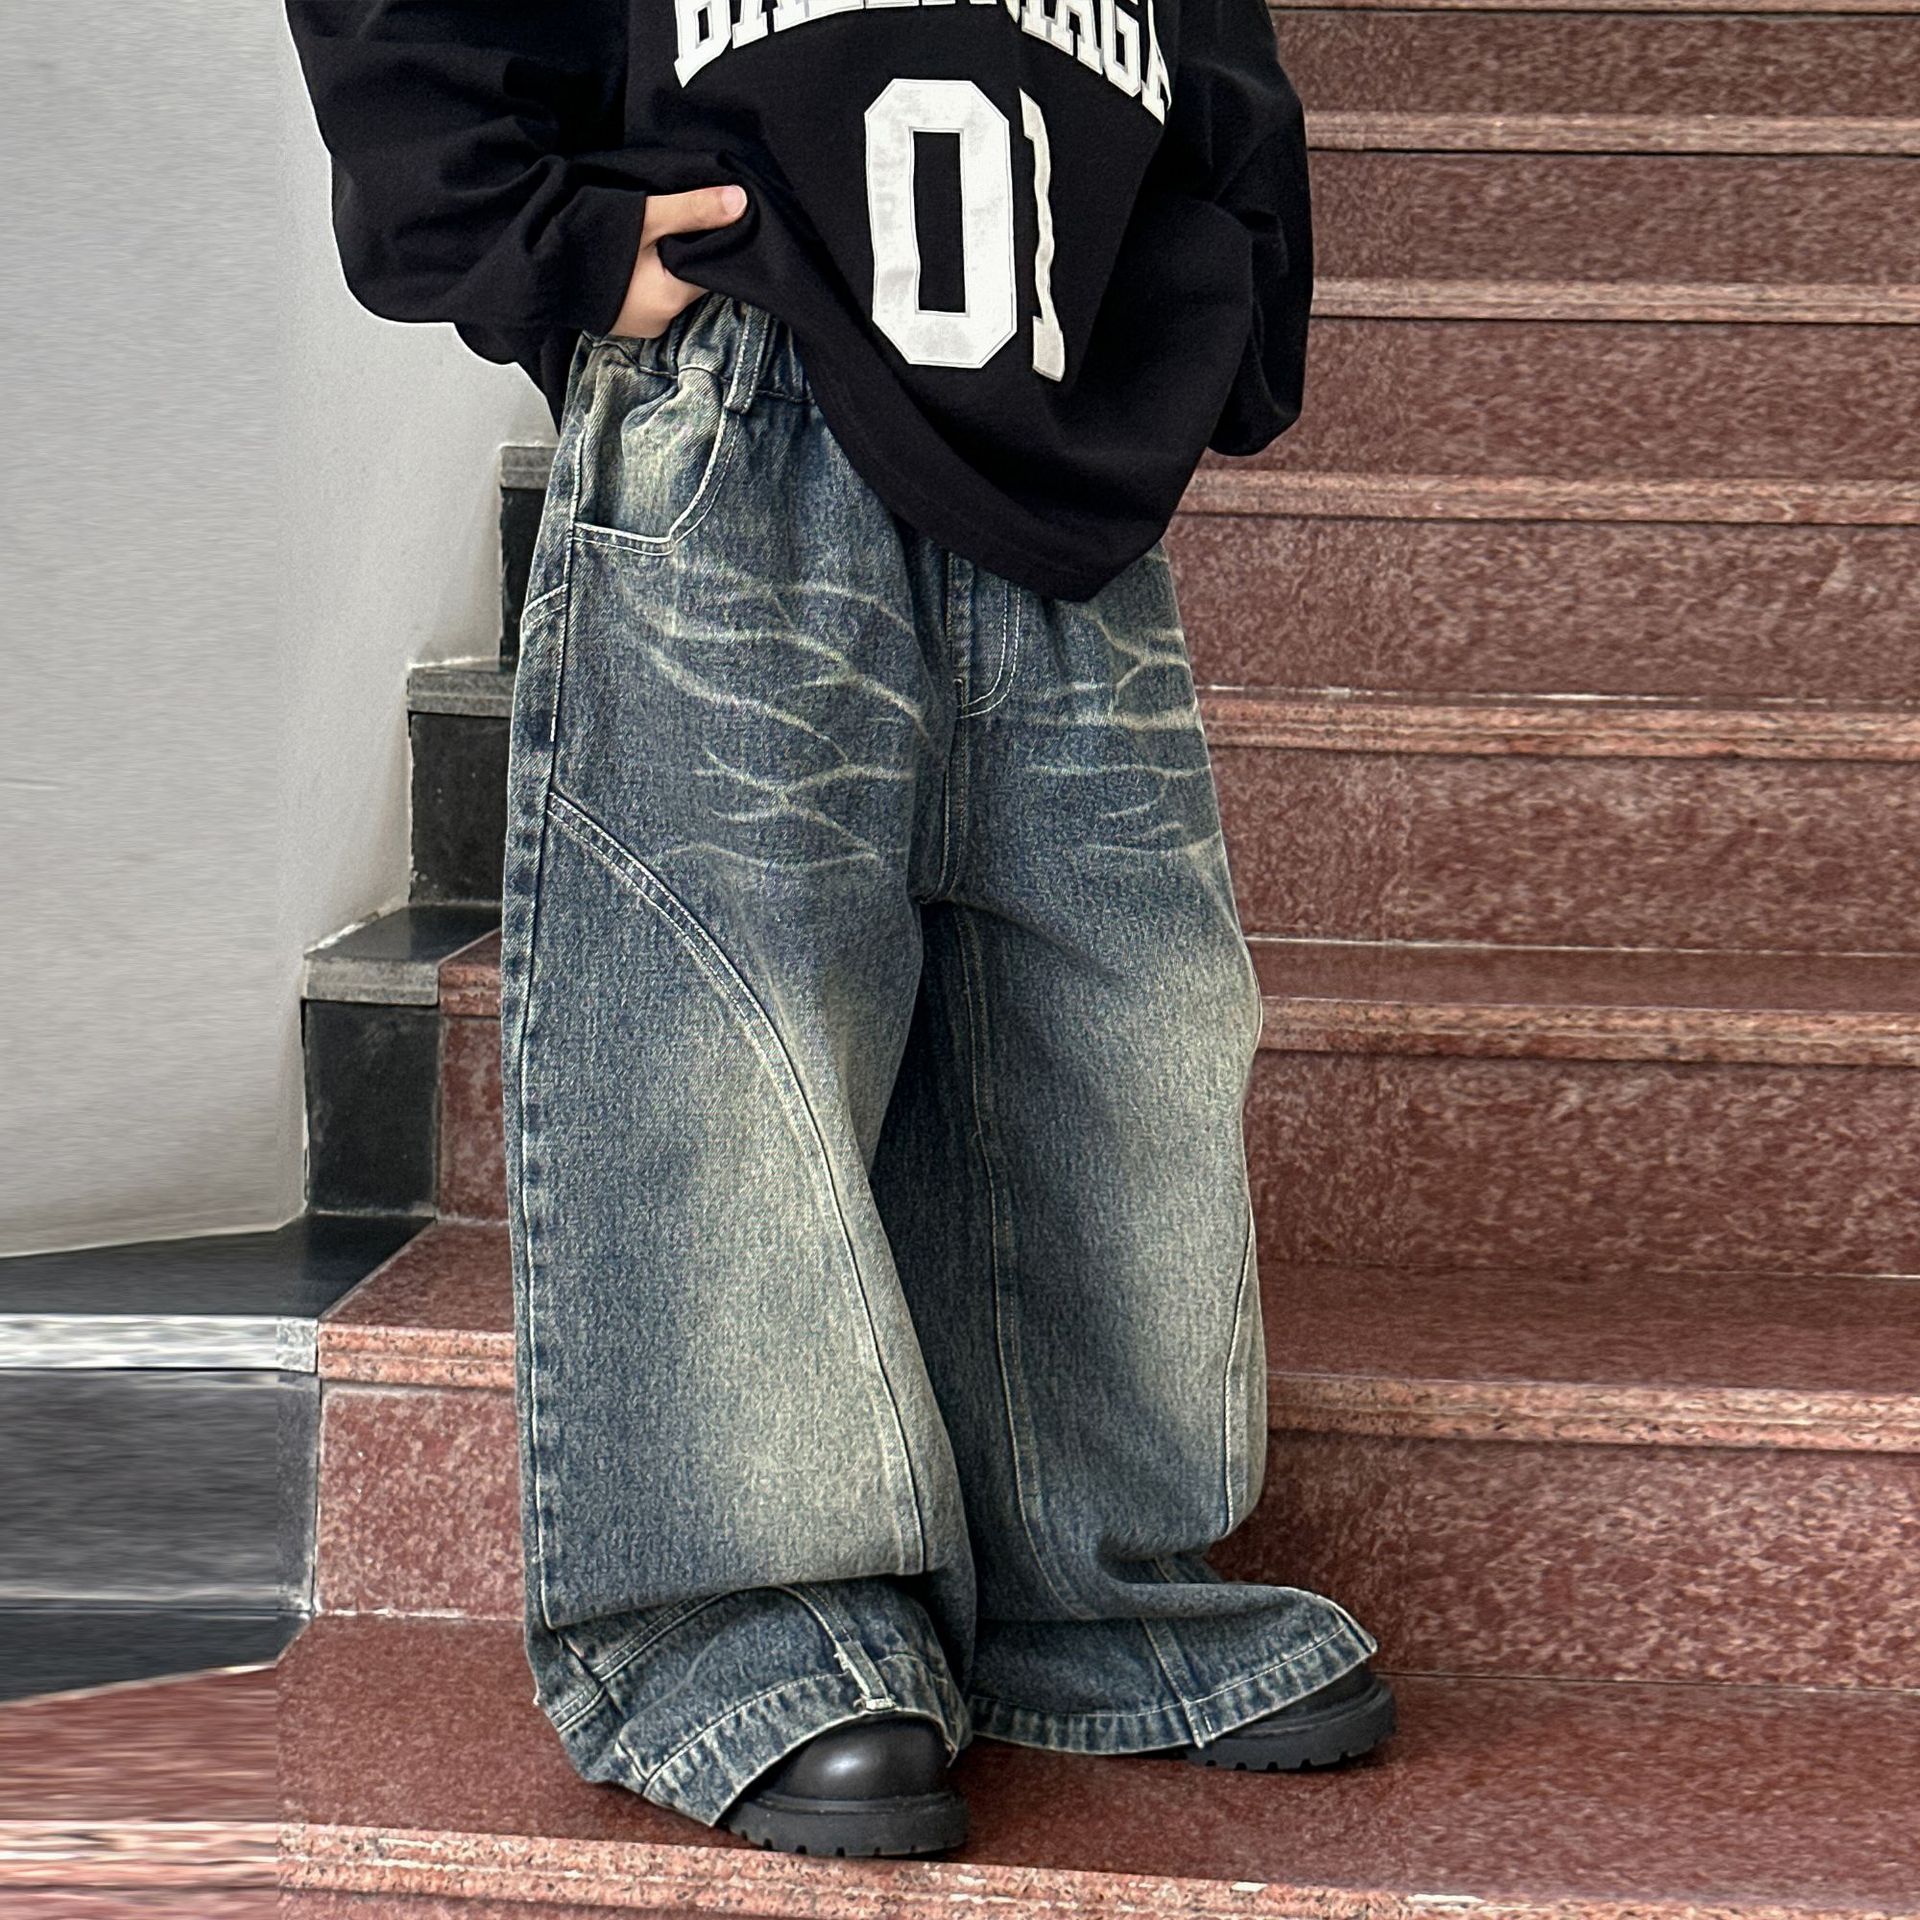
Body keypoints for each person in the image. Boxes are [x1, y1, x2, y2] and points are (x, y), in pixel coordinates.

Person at [285, 0, 1392, 1859]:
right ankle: (745, 1619)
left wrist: (1227, 286)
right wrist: (518, 223)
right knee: (729, 1023)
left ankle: (1085, 1582)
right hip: (747, 389)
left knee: (1118, 1024)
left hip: (1056, 417)